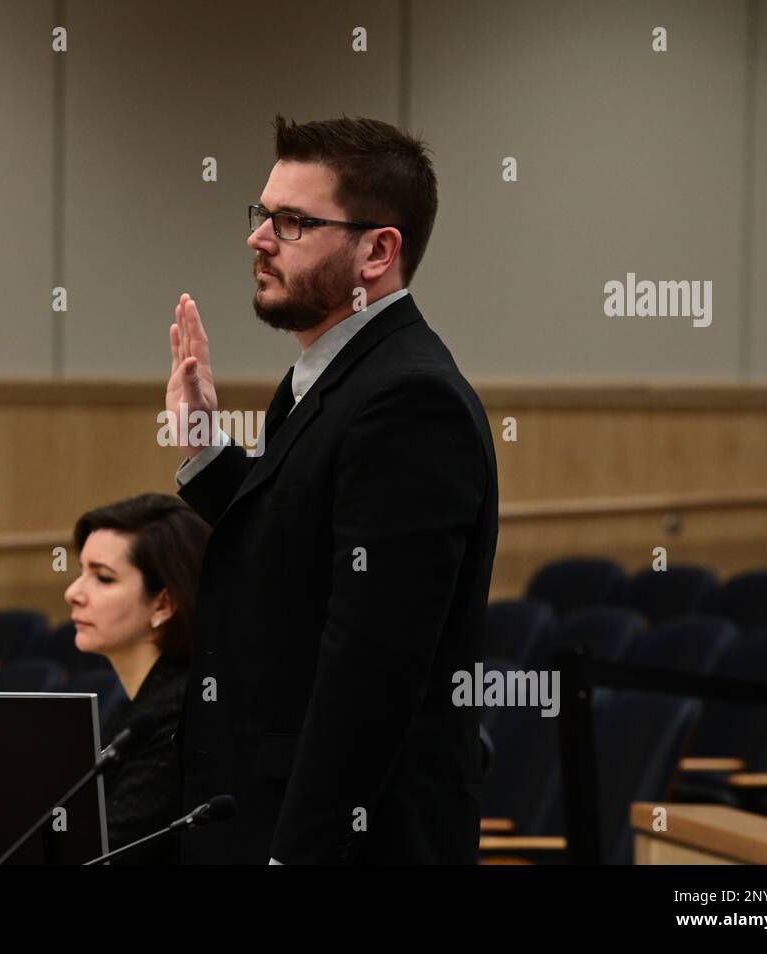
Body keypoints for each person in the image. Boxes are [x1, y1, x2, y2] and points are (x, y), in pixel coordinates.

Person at [165, 115, 498, 864]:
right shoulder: (334, 378)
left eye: (291, 222)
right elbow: (299, 557)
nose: (258, 239)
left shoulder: (410, 398)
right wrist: (206, 448)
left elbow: (373, 665)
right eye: (263, 215)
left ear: (377, 250)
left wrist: (301, 853)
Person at [64, 493, 210, 864]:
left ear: (162, 604)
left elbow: (101, 853)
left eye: (102, 578)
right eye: (80, 571)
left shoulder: (176, 715)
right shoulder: (138, 707)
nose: (73, 593)